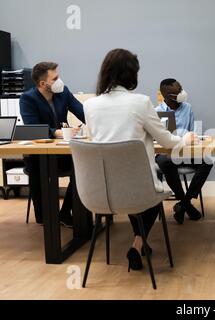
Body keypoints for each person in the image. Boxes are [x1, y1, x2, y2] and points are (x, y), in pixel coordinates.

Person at [84, 49, 197, 271]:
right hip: (138, 187)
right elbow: (165, 138)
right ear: (130, 74)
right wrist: (185, 138)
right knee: (153, 193)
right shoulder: (141, 102)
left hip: (102, 191)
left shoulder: (89, 105)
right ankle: (137, 243)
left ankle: (138, 243)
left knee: (132, 190)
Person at [20, 62, 85, 227]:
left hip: (61, 153)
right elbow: (32, 126)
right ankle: (43, 215)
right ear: (43, 83)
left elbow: (82, 112)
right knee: (37, 168)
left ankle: (65, 212)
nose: (59, 81)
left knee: (84, 166)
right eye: (55, 78)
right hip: (38, 156)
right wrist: (55, 132)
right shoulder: (28, 98)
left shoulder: (63, 92)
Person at [155, 79, 213, 224]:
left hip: (185, 153)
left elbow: (193, 133)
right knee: (165, 161)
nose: (182, 93)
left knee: (207, 161)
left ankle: (183, 204)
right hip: (165, 154)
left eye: (181, 89)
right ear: (167, 96)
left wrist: (191, 139)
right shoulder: (156, 113)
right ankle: (186, 205)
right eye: (177, 92)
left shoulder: (187, 108)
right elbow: (156, 139)